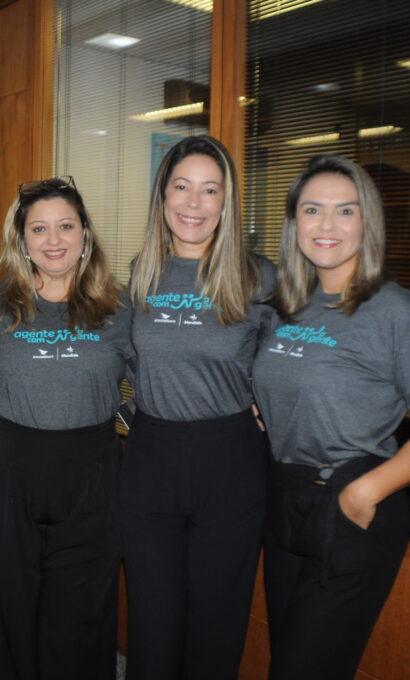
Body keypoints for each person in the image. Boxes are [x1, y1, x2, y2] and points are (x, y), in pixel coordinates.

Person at [252, 154, 410, 680]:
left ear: (368, 221)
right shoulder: (288, 305)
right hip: (284, 496)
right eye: (312, 210)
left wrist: (363, 493)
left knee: (305, 668)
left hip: (351, 501)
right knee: (289, 653)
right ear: (294, 221)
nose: (326, 225)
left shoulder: (402, 315)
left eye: (345, 211)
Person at [120, 135, 274, 680]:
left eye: (211, 190)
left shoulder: (260, 278)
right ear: (162, 198)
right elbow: (125, 363)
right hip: (151, 457)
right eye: (182, 187)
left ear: (226, 203)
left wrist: (272, 410)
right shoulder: (142, 272)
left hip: (229, 461)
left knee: (216, 623)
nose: (194, 203)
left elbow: (296, 360)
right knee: (153, 622)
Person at [0, 176, 132, 680]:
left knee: (81, 614)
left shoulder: (119, 306)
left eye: (66, 226)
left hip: (94, 473)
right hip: (11, 470)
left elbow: (159, 383)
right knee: (8, 606)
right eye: (39, 229)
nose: (54, 240)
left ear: (85, 233)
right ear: (21, 239)